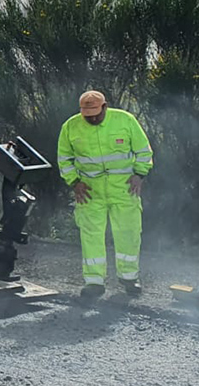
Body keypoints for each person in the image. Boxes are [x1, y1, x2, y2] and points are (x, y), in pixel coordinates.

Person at [57, 90, 154, 298]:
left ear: (105, 107)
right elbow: (64, 159)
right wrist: (74, 182)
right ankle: (94, 282)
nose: (92, 118)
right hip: (90, 192)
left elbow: (144, 151)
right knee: (91, 236)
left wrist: (139, 174)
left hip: (124, 189)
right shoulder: (71, 126)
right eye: (87, 114)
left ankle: (129, 278)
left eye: (96, 113)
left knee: (128, 233)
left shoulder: (125, 120)